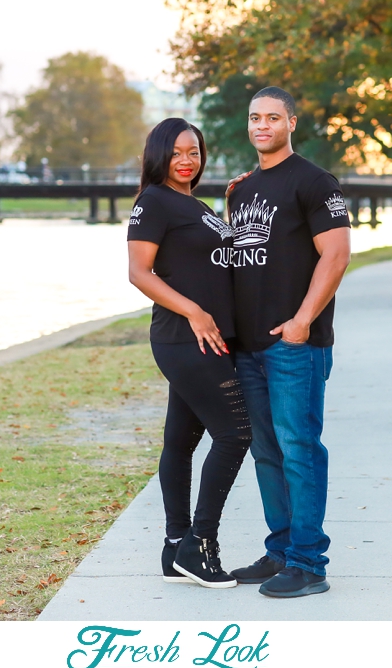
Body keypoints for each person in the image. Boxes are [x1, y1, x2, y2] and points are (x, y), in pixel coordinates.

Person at [225, 87, 351, 599]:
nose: (262, 125)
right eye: (255, 117)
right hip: (248, 345)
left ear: (291, 123)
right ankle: (280, 551)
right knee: (267, 451)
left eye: (272, 117)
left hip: (295, 343)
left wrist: (301, 320)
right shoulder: (242, 188)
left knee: (299, 447)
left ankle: (308, 563)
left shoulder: (316, 182)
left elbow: (337, 255)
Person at [127, 117, 252, 588]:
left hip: (208, 338)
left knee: (181, 442)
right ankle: (199, 546)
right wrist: (195, 313)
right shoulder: (153, 201)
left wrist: (231, 204)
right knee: (237, 433)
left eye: (194, 152)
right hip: (186, 338)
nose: (187, 160)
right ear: (159, 154)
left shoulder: (190, 203)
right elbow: (140, 273)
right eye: (177, 152)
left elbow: (210, 255)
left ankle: (174, 547)